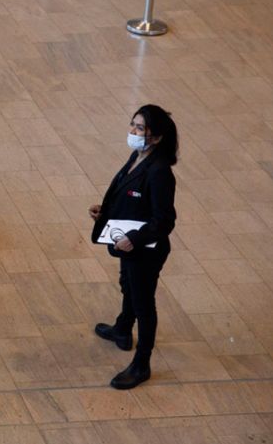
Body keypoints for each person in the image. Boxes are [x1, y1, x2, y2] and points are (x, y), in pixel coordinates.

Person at [90, 104, 178, 390]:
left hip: (145, 250)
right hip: (127, 243)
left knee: (143, 303)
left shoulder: (160, 172)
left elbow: (164, 221)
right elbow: (128, 194)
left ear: (157, 137)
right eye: (133, 125)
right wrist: (104, 211)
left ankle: (142, 364)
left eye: (140, 128)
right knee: (127, 285)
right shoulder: (137, 156)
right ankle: (122, 329)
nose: (133, 132)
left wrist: (135, 240)